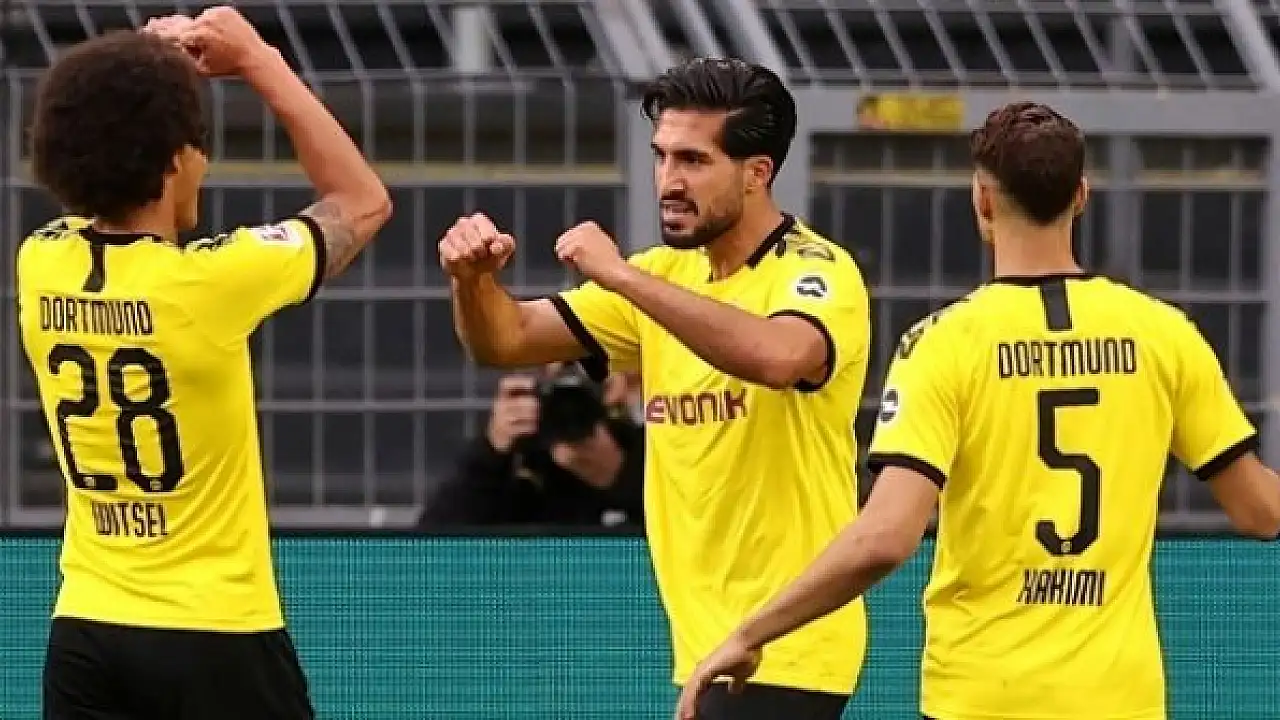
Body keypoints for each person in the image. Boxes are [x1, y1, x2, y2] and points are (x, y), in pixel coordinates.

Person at [676, 101, 1280, 720]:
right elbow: (1262, 511)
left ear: (982, 201)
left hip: (981, 693)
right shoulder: (1164, 335)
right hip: (1119, 697)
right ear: (1081, 196)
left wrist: (751, 632)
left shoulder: (943, 344)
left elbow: (885, 537)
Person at [440, 57, 873, 718]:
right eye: (662, 156)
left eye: (694, 160)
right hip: (711, 648)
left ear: (757, 172)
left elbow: (780, 356)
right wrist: (472, 282)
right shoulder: (665, 275)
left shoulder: (816, 271)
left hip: (788, 646)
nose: (669, 181)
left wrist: (621, 277)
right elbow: (506, 340)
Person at [20, 8, 391, 719]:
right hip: (217, 632)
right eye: (197, 146)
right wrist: (256, 59)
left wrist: (140, 66)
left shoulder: (41, 263)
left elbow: (93, 132)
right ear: (172, 162)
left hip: (86, 628)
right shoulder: (210, 285)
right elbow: (363, 201)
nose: (206, 163)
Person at [417, 362, 645, 528]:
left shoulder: (645, 446)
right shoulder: (524, 452)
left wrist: (621, 476)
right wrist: (491, 454)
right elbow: (434, 550)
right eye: (566, 367)